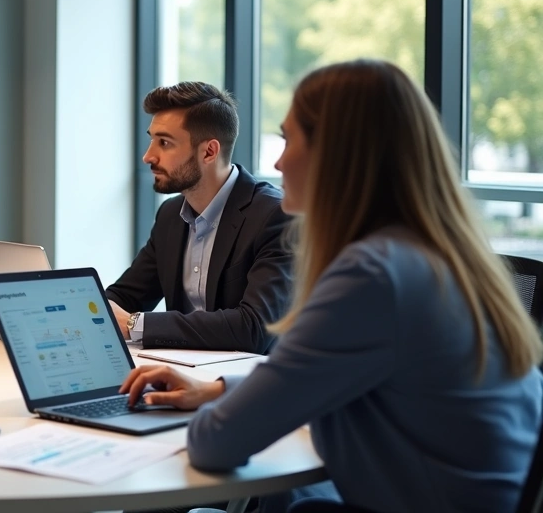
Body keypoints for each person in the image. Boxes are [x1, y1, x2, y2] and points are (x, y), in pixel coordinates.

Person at [121, 59, 543, 513]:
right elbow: (316, 373)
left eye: (287, 139)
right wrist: (219, 388)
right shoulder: (435, 254)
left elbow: (215, 444)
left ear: (338, 154)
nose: (278, 161)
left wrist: (216, 407)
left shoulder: (371, 275)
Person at [107, 81, 293, 353]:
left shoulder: (275, 216)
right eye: (151, 139)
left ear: (209, 151)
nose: (148, 156)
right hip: (180, 374)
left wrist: (136, 323)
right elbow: (125, 297)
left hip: (247, 383)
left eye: (165, 143)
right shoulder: (170, 215)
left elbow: (255, 327)